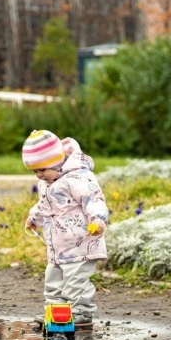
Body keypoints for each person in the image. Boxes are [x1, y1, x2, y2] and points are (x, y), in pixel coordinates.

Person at [23, 130, 109, 328]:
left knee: (74, 284)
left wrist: (97, 220)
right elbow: (44, 205)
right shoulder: (46, 183)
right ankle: (56, 315)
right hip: (58, 247)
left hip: (81, 244)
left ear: (56, 161)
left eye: (42, 169)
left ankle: (80, 314)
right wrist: (34, 217)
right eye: (35, 172)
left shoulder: (79, 178)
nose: (39, 175)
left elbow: (94, 200)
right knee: (53, 283)